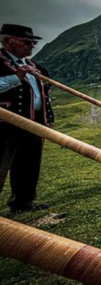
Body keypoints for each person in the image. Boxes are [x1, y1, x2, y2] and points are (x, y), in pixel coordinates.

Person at [0, 24, 54, 212]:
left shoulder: (36, 67)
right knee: (1, 164)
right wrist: (16, 77)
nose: (31, 46)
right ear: (7, 41)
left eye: (33, 43)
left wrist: (48, 120)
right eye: (26, 42)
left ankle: (22, 202)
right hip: (6, 124)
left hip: (33, 123)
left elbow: (44, 96)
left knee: (29, 164)